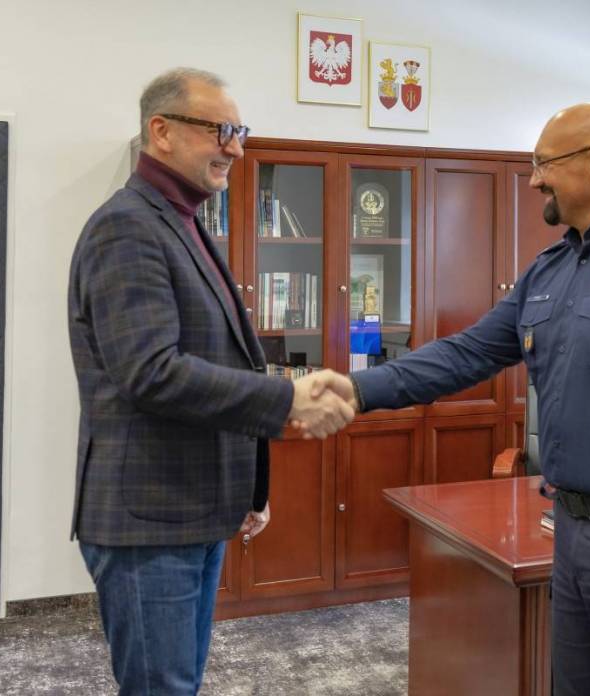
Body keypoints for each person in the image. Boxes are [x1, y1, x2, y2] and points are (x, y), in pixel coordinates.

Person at [310, 102, 590, 695]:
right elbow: (468, 352)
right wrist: (357, 388)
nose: (533, 180)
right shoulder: (550, 269)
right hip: (571, 537)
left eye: (544, 164)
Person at [67, 67, 354, 696]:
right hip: (150, 517)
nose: (236, 148)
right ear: (161, 131)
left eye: (240, 132)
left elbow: (224, 360)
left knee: (180, 683)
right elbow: (152, 372)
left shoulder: (184, 222)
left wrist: (252, 485)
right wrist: (287, 397)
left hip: (193, 507)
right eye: (220, 130)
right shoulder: (127, 226)